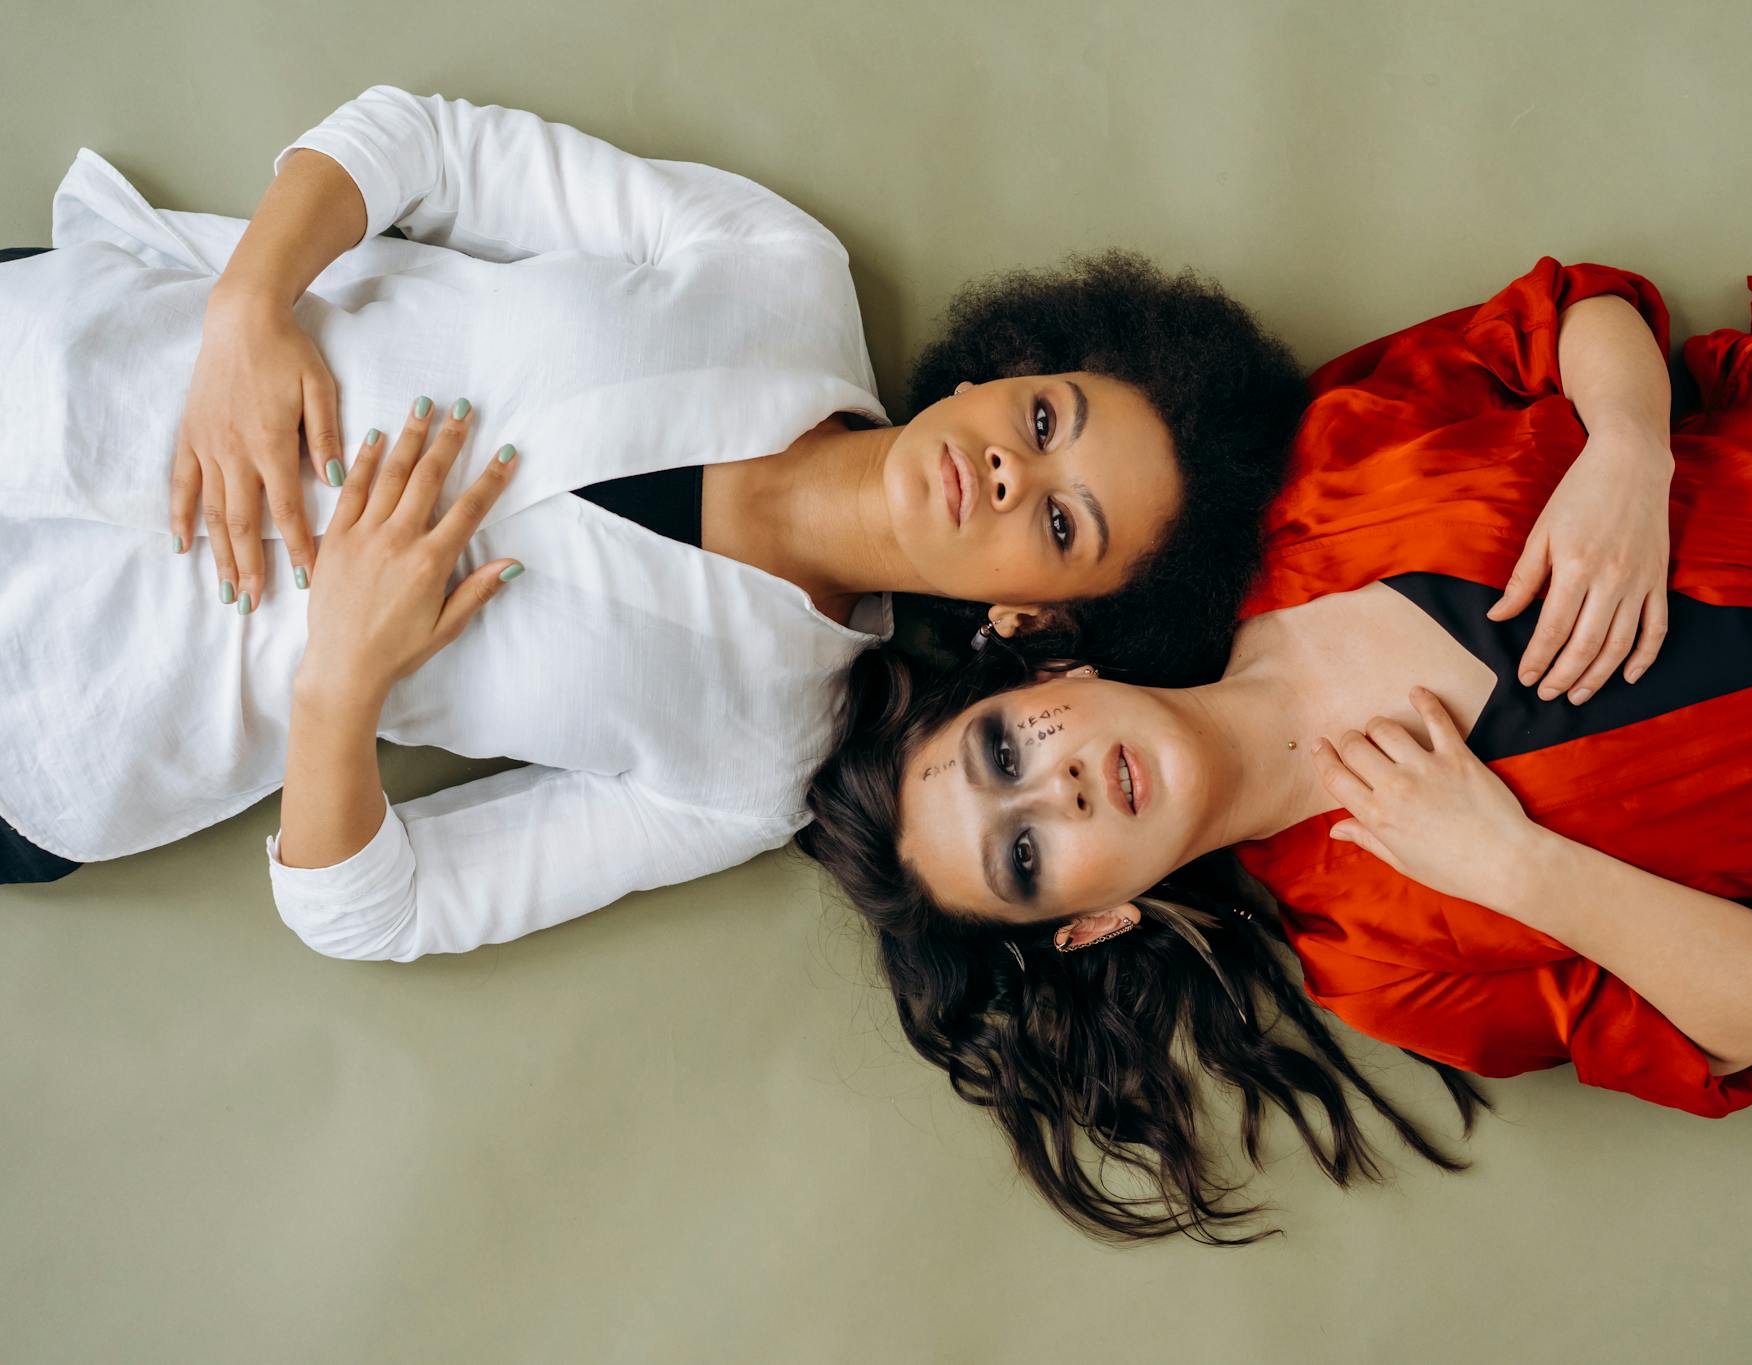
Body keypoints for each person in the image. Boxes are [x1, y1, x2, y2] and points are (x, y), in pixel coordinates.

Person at [799, 152, 1752, 1243]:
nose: (1054, 784)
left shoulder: (1314, 480)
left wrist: (1624, 446)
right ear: (1091, 920)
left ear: (1048, 676)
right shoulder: (1383, 961)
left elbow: (1573, 309)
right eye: (1024, 853)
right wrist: (1514, 868)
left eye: (1003, 748)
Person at [0, 87, 1305, 962]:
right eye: (1044, 420)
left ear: (1037, 617)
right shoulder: (781, 272)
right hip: (65, 368)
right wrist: (251, 304)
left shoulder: (748, 772)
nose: (1015, 475)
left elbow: (373, 911)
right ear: (998, 377)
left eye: (1065, 524)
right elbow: (422, 140)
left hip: (74, 720)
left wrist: (338, 682)